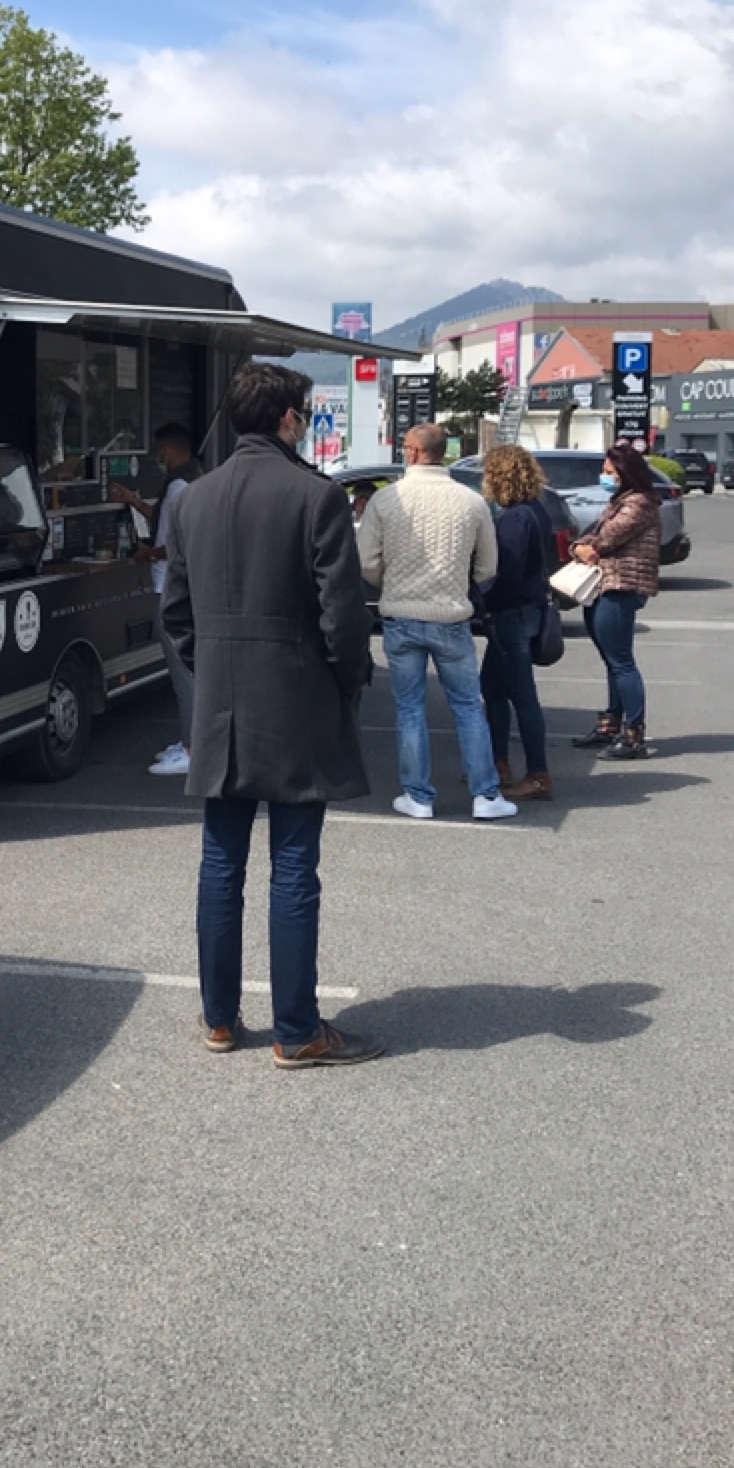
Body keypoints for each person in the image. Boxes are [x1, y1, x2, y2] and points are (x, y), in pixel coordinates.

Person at [162, 362, 383, 1066]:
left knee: (221, 862)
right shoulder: (316, 496)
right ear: (289, 418)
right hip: (296, 701)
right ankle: (296, 1029)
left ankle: (219, 1020)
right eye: (304, 414)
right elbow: (343, 617)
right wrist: (348, 681)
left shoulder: (195, 498)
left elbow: (176, 615)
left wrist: (213, 673)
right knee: (293, 866)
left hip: (221, 706)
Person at [357, 421, 518, 820]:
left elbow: (365, 561)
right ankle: (486, 796)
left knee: (410, 709)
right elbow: (488, 566)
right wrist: (460, 582)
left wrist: (390, 582)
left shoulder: (386, 499)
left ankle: (418, 796)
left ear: (413, 452)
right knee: (468, 707)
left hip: (400, 614)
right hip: (451, 614)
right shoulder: (470, 501)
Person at [111, 423, 202, 777]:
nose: (156, 458)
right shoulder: (191, 480)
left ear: (169, 448)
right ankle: (190, 742)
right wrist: (135, 502)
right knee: (188, 669)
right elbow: (166, 521)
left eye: (158, 450)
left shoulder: (178, 485)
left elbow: (178, 543)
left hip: (170, 587)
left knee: (182, 673)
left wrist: (148, 554)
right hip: (183, 586)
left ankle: (193, 748)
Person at [570, 440, 661, 759]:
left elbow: (606, 539)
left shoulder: (639, 503)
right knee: (612, 659)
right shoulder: (619, 501)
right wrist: (580, 547)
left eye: (610, 471)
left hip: (621, 586)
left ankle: (634, 734)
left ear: (625, 472)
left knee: (621, 661)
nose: (604, 476)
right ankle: (611, 725)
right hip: (603, 584)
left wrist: (586, 548)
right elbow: (589, 536)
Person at [478, 446, 553, 801]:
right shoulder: (537, 511)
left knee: (522, 696)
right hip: (529, 609)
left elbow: (507, 573)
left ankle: (537, 774)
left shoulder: (514, 519)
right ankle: (498, 763)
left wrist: (482, 602)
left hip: (511, 613)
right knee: (492, 686)